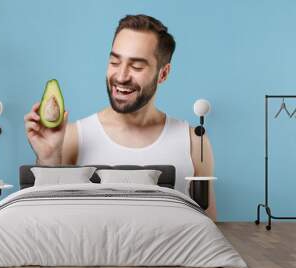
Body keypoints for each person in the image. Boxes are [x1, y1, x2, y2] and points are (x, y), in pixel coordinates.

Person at [24, 14, 216, 221]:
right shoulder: (73, 137)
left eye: (136, 66)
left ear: (163, 74)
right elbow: (50, 221)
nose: (121, 76)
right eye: (115, 62)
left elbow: (210, 226)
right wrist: (49, 156)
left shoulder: (194, 142)